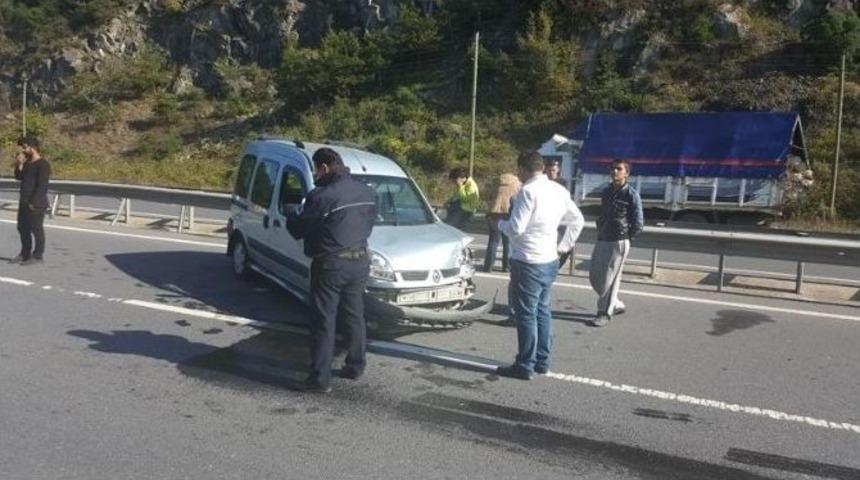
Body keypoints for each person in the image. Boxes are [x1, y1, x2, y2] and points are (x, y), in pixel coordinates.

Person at [286, 148, 376, 393]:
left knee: (324, 320)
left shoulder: (322, 196)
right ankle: (356, 365)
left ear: (324, 167)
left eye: (316, 169)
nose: (315, 174)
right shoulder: (367, 191)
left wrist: (292, 213)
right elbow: (368, 224)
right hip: (360, 262)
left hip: (331, 264)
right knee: (355, 315)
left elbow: (299, 229)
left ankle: (319, 379)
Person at [496, 150, 584, 380]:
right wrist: (563, 247)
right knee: (543, 311)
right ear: (542, 168)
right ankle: (542, 361)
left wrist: (500, 225)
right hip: (549, 259)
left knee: (526, 314)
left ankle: (525, 364)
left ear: (524, 169)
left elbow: (516, 229)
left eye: (519, 170)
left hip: (528, 260)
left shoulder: (527, 192)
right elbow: (578, 220)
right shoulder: (558, 189)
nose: (518, 174)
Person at [588, 159, 644, 328]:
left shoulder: (631, 194)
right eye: (612, 168)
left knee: (610, 280)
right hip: (603, 237)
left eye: (619, 169)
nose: (614, 171)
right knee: (595, 277)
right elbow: (603, 214)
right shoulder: (606, 192)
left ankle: (604, 313)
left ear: (626, 173)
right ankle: (616, 304)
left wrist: (626, 237)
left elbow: (639, 222)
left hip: (619, 240)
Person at [9, 135, 51, 266]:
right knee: (22, 228)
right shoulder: (27, 163)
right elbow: (19, 177)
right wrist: (19, 164)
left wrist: (35, 202)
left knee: (36, 229)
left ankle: (38, 255)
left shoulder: (43, 164)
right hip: (24, 201)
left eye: (25, 147)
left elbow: (42, 185)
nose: (22, 150)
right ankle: (24, 253)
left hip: (36, 203)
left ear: (32, 148)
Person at [483, 172, 521, 272]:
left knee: (493, 241)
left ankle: (488, 266)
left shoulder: (496, 182)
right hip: (508, 212)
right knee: (507, 242)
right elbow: (518, 199)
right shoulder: (517, 184)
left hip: (494, 213)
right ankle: (506, 266)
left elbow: (488, 196)